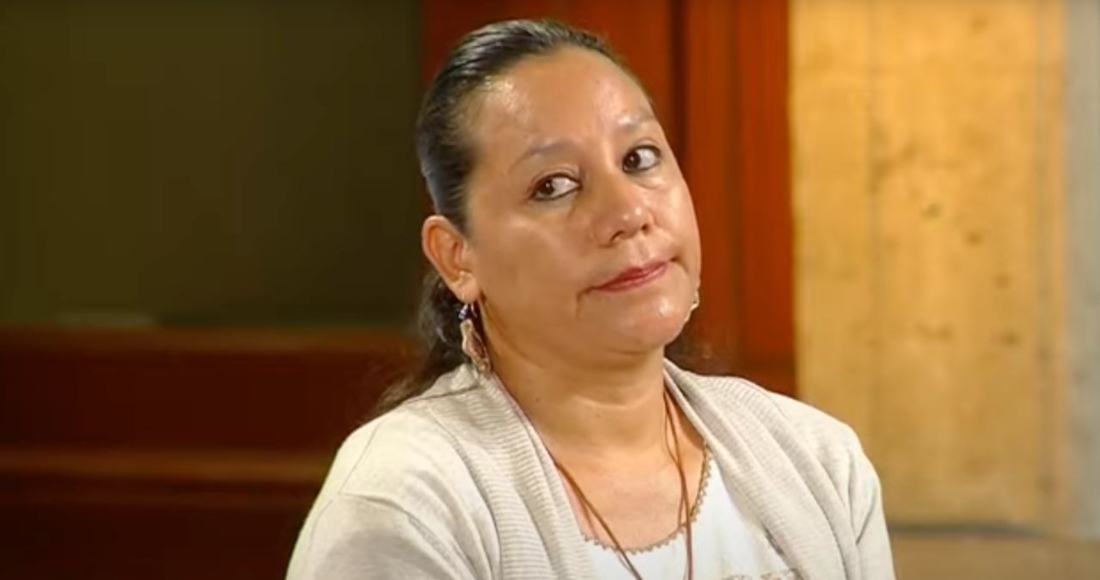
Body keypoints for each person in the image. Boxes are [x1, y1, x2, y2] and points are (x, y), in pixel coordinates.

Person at [287, 19, 894, 580]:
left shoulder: (816, 460)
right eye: (553, 186)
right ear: (458, 258)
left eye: (639, 158)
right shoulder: (405, 503)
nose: (628, 212)